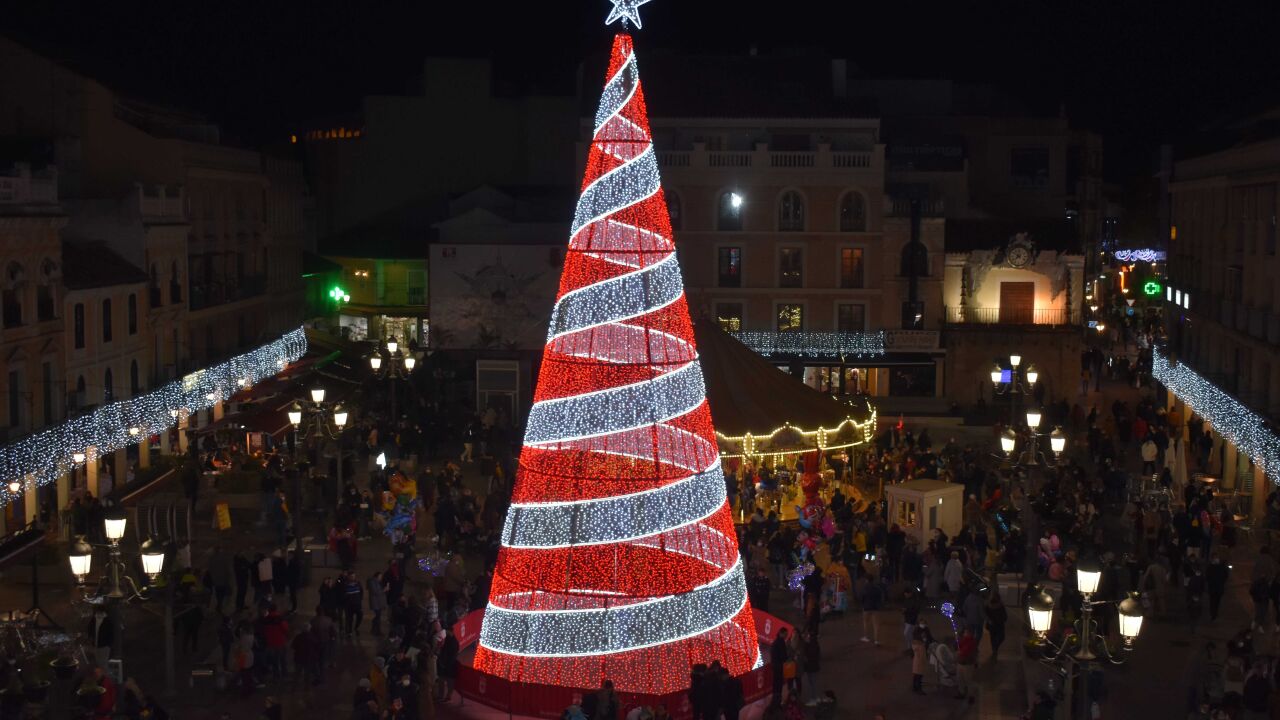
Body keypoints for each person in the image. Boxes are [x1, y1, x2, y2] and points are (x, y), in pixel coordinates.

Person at [955, 629, 977, 703]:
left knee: (968, 681)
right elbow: (958, 645)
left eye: (966, 633)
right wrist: (958, 640)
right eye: (965, 632)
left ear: (970, 634)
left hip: (967, 664)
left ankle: (971, 696)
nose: (965, 634)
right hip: (960, 663)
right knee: (960, 679)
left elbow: (966, 650)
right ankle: (961, 693)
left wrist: (960, 652)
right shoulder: (964, 640)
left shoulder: (972, 642)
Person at [985, 592, 1008, 663]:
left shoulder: (988, 606)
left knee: (993, 637)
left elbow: (986, 615)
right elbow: (1005, 616)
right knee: (1001, 637)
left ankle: (994, 648)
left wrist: (988, 620)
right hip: (999, 624)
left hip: (992, 625)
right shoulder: (1000, 606)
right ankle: (995, 648)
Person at [770, 628, 790, 706]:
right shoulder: (781, 642)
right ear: (782, 633)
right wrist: (787, 657)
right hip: (779, 666)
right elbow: (783, 656)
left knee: (776, 684)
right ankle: (778, 701)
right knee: (779, 684)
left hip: (775, 666)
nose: (786, 636)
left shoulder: (775, 642)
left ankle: (775, 701)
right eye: (785, 634)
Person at [368, 571, 388, 636]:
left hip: (379, 602)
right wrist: (384, 590)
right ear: (377, 576)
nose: (381, 578)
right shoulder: (372, 582)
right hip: (375, 602)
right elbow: (375, 592)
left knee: (377, 616)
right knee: (378, 617)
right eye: (380, 576)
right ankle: (377, 631)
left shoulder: (378, 582)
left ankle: (374, 629)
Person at [910, 628, 927, 695]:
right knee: (919, 676)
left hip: (916, 661)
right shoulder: (920, 645)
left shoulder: (915, 643)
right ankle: (919, 689)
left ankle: (914, 687)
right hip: (920, 662)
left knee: (916, 675)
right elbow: (922, 654)